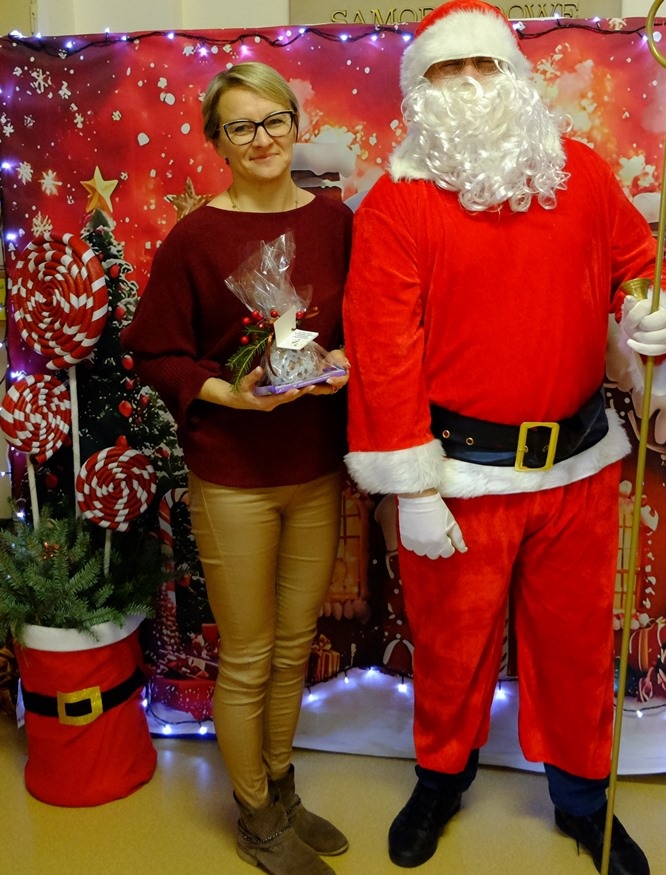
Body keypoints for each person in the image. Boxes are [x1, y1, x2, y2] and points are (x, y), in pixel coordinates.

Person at [342, 3, 666, 874]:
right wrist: (413, 486)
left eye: (483, 65)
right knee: (450, 648)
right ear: (420, 90)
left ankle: (583, 801)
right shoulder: (396, 203)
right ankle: (439, 780)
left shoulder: (581, 173)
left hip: (579, 465)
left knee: (575, 647)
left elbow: (637, 260)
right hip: (460, 475)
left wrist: (651, 305)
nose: (468, 84)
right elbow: (382, 349)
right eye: (446, 70)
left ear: (516, 76)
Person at [121, 61, 352, 875]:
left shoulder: (336, 222)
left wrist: (347, 362)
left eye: (273, 119)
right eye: (240, 126)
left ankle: (282, 788)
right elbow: (155, 352)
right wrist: (231, 393)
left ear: (296, 123)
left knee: (295, 647)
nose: (261, 138)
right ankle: (254, 813)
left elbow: (371, 320)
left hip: (316, 466)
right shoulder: (194, 238)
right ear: (217, 142)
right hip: (232, 477)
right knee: (250, 655)